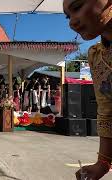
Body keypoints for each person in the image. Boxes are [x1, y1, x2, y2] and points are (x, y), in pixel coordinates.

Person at [64, 0, 112, 179]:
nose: (72, 22)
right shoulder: (96, 56)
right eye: (68, 16)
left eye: (77, 7)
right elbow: (107, 111)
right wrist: (103, 163)